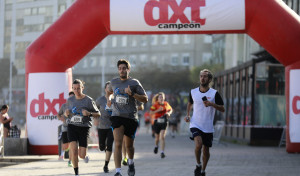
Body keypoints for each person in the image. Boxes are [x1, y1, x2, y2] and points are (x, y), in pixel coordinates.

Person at [110, 59, 148, 176]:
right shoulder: (113, 82)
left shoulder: (134, 83)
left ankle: (131, 163)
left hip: (130, 117)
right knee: (117, 143)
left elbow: (145, 99)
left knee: (129, 146)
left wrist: (133, 94)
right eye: (120, 68)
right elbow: (109, 92)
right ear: (118, 70)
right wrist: (108, 99)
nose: (122, 70)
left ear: (128, 69)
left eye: (124, 68)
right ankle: (118, 171)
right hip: (117, 116)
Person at [184, 69, 225, 176]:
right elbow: (190, 103)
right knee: (198, 144)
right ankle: (198, 164)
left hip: (208, 126)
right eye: (201, 76)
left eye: (205, 76)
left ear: (210, 79)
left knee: (206, 150)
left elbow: (222, 109)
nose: (202, 78)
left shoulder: (214, 93)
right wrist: (188, 115)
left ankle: (202, 170)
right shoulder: (193, 92)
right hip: (195, 123)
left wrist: (212, 104)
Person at [64, 79, 100, 176]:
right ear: (72, 89)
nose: (77, 91)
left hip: (84, 128)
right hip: (72, 126)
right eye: (74, 89)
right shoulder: (70, 100)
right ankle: (76, 173)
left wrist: (89, 113)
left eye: (78, 88)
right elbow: (66, 113)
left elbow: (98, 114)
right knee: (74, 151)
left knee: (81, 155)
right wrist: (66, 113)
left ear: (82, 88)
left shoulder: (88, 100)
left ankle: (85, 155)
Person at [94, 81, 114, 173]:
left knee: (109, 145)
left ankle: (106, 165)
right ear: (105, 89)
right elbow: (95, 110)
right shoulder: (100, 100)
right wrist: (95, 118)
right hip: (101, 126)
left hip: (112, 126)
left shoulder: (116, 100)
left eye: (112, 87)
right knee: (102, 147)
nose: (110, 88)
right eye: (108, 87)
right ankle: (103, 147)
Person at [150, 92, 172, 159]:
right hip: (157, 122)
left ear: (164, 98)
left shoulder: (166, 104)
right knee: (157, 138)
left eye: (162, 97)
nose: (161, 98)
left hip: (164, 122)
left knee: (162, 137)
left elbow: (171, 109)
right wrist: (157, 110)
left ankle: (162, 152)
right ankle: (156, 146)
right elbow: (151, 113)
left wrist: (168, 113)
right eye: (160, 97)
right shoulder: (155, 105)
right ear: (158, 98)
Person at [122, 102, 144, 166]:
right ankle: (125, 157)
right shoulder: (120, 93)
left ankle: (130, 158)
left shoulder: (135, 94)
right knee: (123, 140)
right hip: (122, 119)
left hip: (132, 119)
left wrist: (132, 108)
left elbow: (142, 107)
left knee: (130, 142)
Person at [58, 91, 75, 167]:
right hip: (65, 127)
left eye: (72, 97)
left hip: (74, 127)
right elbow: (58, 114)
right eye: (70, 97)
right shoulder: (64, 106)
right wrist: (60, 118)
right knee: (65, 145)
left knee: (72, 144)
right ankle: (65, 150)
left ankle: (70, 161)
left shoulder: (76, 105)